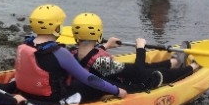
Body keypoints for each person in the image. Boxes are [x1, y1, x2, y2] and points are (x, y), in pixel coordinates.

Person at [13, 4, 126, 104]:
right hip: (52, 99)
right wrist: (116, 91)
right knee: (94, 85)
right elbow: (88, 78)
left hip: (27, 92)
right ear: (57, 28)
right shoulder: (60, 52)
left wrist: (104, 47)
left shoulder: (26, 45)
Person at [70, 12, 198, 92]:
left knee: (148, 66)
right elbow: (139, 71)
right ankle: (193, 67)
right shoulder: (102, 64)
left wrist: (106, 46)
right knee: (155, 73)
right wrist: (140, 49)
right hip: (131, 85)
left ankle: (175, 62)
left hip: (111, 77)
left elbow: (88, 56)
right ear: (98, 34)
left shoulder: (74, 53)